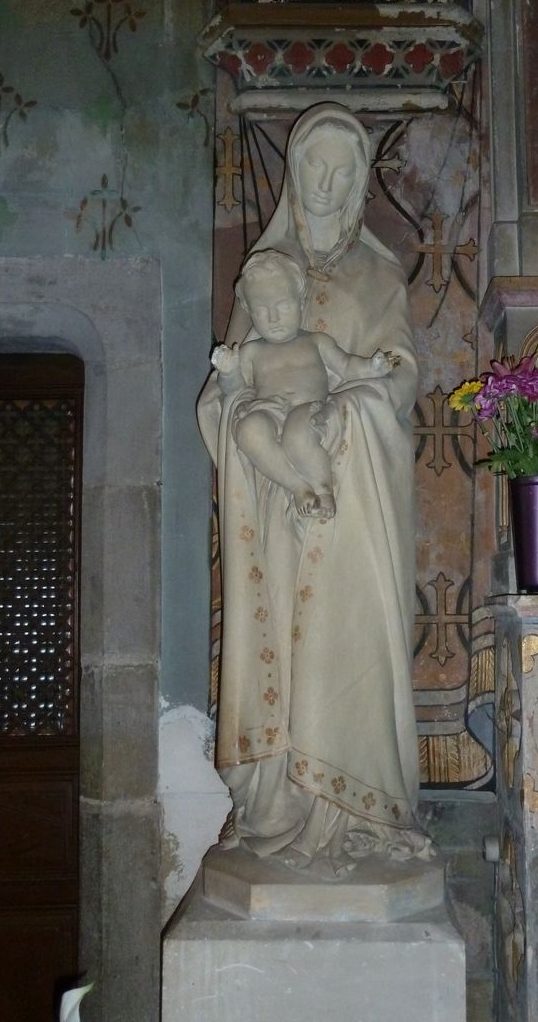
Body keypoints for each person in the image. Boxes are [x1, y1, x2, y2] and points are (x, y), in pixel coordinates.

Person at [198, 103, 431, 875]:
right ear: (293, 176)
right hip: (275, 508)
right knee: (278, 657)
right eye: (312, 168)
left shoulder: (378, 275)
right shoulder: (265, 276)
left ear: (361, 181)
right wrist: (239, 404)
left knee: (343, 645)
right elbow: (226, 383)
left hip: (350, 496)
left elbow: (398, 374)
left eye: (341, 170)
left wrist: (351, 410)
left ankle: (350, 812)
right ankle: (277, 805)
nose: (326, 185)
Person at [212, 249, 399, 520]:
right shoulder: (251, 352)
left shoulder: (316, 342)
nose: (274, 318)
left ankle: (324, 491)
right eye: (262, 311)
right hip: (268, 408)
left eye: (283, 306)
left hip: (307, 407)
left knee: (298, 436)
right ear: (249, 311)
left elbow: (346, 366)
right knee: (249, 431)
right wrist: (228, 370)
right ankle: (297, 486)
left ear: (300, 303)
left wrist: (373, 366)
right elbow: (235, 389)